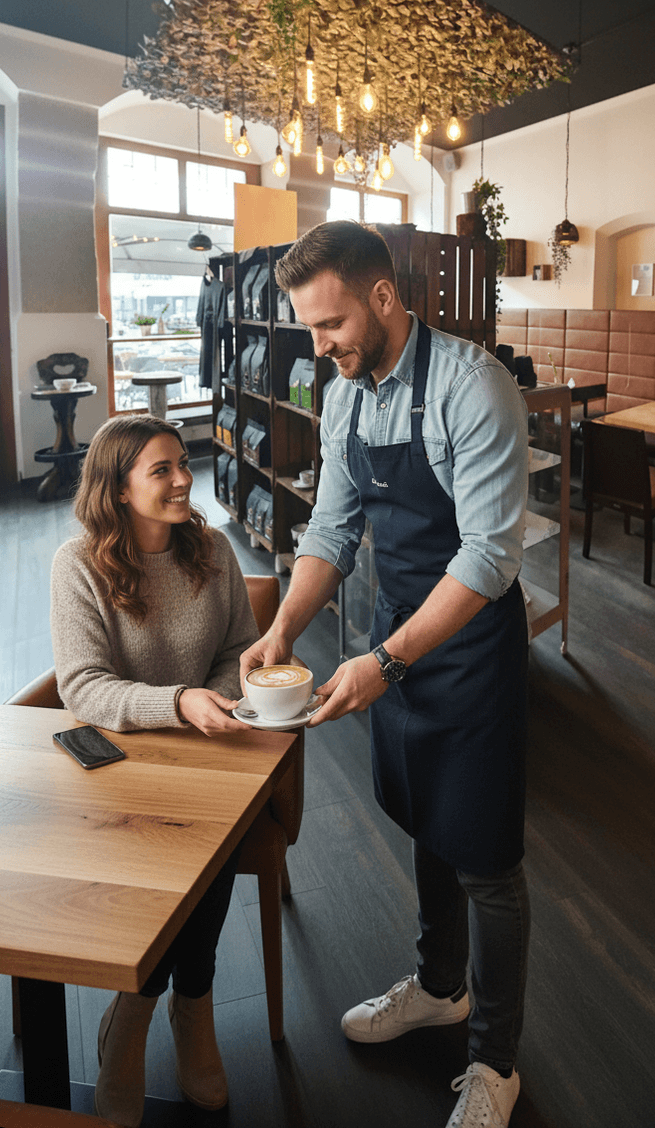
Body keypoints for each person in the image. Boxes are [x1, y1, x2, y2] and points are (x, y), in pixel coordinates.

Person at [240, 221, 531, 1128]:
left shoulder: (471, 386)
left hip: (469, 650)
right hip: (396, 638)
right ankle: (440, 986)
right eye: (309, 331)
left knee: (486, 859)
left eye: (328, 326)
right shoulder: (345, 396)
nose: (319, 349)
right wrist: (283, 628)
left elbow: (488, 558)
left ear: (382, 297)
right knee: (428, 823)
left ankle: (497, 1061)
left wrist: (383, 659)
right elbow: (333, 528)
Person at [51, 414, 258, 1128]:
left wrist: (223, 697)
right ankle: (147, 1011)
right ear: (117, 488)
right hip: (119, 766)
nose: (182, 480)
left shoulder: (214, 550)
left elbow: (240, 647)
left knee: (215, 837)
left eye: (181, 464)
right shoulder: (78, 564)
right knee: (177, 847)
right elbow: (82, 686)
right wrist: (178, 702)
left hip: (211, 751)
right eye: (161, 470)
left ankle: (182, 1009)